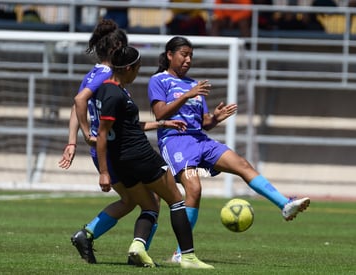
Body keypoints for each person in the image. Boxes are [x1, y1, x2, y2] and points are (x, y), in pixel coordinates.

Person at [147, 36, 311, 263]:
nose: (188, 59)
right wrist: (187, 95)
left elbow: (202, 123)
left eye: (191, 55)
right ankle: (181, 253)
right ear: (169, 55)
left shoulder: (194, 84)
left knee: (242, 164)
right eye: (184, 54)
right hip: (175, 141)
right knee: (193, 189)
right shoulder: (159, 80)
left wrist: (215, 118)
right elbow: (160, 114)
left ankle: (284, 205)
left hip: (200, 140)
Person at [95, 44, 213, 269]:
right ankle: (187, 257)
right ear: (128, 68)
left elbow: (128, 126)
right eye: (137, 67)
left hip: (123, 160)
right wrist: (103, 171)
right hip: (140, 155)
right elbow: (102, 133)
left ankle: (137, 247)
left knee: (150, 205)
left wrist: (162, 123)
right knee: (177, 200)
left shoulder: (107, 90)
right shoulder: (115, 94)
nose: (139, 72)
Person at [58, 19, 157, 264]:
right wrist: (85, 134)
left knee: (134, 200)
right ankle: (129, 249)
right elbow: (80, 100)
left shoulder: (93, 73)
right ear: (117, 49)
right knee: (148, 202)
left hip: (108, 147)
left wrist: (72, 142)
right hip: (111, 149)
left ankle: (89, 234)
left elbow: (76, 103)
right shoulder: (104, 74)